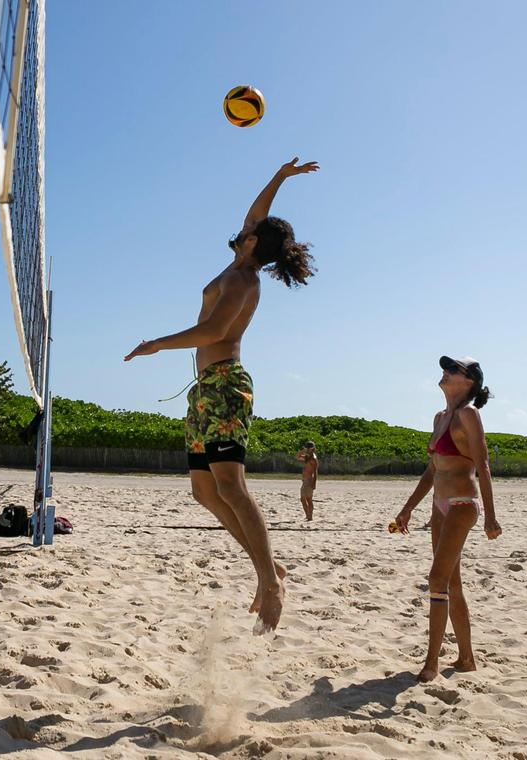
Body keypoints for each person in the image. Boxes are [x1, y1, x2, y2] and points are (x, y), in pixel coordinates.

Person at [124, 156, 319, 634]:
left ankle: (270, 582)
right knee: (204, 490)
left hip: (227, 387)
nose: (242, 229)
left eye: (249, 231)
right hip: (205, 391)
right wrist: (279, 177)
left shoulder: (242, 278)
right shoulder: (239, 260)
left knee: (230, 486)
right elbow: (257, 215)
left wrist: (157, 344)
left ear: (254, 244)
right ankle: (269, 569)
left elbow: (213, 330)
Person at [393, 356, 502, 681]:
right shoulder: (440, 416)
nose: (446, 372)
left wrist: (490, 518)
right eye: (446, 367)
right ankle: (466, 658)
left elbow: (483, 465)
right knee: (452, 582)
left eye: (453, 369)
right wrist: (408, 507)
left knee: (437, 580)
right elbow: (433, 469)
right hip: (439, 507)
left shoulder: (469, 414)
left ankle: (431, 663)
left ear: (468, 381)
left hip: (462, 504)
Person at [296, 441, 318, 521]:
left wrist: (314, 483)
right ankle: (308, 515)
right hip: (305, 480)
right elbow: (297, 457)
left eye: (309, 448)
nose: (308, 450)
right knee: (303, 499)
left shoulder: (313, 459)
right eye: (307, 448)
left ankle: (310, 517)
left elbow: (315, 472)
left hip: (309, 480)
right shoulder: (307, 457)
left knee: (308, 499)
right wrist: (303, 451)